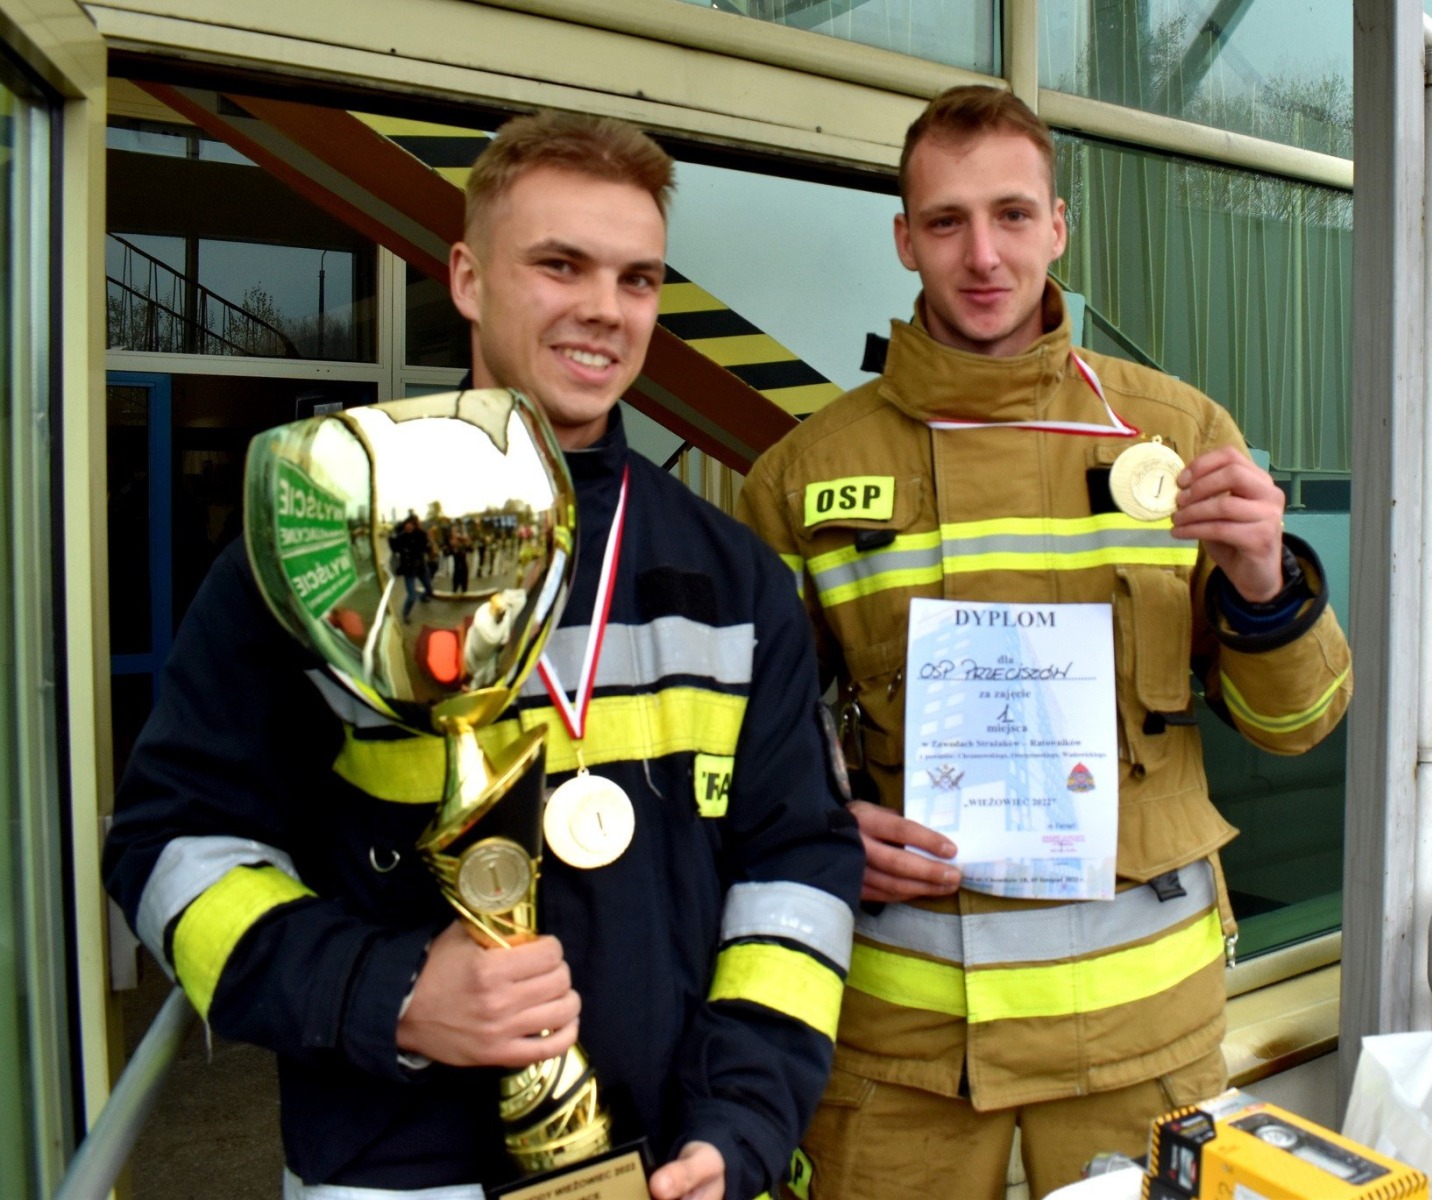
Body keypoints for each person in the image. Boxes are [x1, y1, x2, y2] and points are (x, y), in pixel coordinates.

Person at [105, 112, 864, 1200]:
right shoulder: (321, 542)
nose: (604, 309)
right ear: (466, 277)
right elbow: (173, 853)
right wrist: (389, 993)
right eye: (560, 264)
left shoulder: (735, 578)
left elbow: (796, 872)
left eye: (637, 279)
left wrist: (740, 1119)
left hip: (669, 1165)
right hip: (395, 1172)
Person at [739, 85, 1353, 1199]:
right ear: (902, 239)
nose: (983, 254)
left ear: (1059, 226)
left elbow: (1298, 722)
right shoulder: (802, 476)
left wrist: (1264, 580)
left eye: (1013, 215)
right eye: (946, 221)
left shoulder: (1176, 433)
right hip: (898, 1047)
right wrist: (825, 825)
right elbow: (744, 749)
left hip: (1144, 1041)